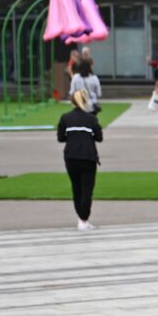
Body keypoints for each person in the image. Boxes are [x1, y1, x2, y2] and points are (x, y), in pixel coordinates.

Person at [59, 90, 104, 231]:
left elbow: (61, 138)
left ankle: (81, 218)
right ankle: (84, 219)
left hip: (71, 157)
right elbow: (99, 137)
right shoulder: (91, 119)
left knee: (76, 188)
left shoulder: (65, 118)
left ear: (72, 102)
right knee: (87, 190)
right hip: (88, 157)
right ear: (85, 101)